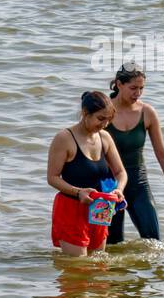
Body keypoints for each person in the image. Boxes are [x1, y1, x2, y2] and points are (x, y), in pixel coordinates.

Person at [105, 64, 164, 245]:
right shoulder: (103, 111)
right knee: (112, 245)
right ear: (119, 84)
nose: (138, 93)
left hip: (138, 183)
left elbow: (161, 153)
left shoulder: (147, 112)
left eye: (141, 88)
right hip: (108, 185)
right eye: (133, 88)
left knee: (154, 242)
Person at [46, 91, 127, 256]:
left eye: (108, 120)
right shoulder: (64, 138)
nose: (104, 124)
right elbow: (52, 178)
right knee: (78, 268)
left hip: (100, 208)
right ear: (85, 113)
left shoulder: (105, 138)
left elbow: (120, 172)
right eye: (100, 118)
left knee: (98, 267)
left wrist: (119, 189)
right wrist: (79, 192)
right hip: (71, 209)